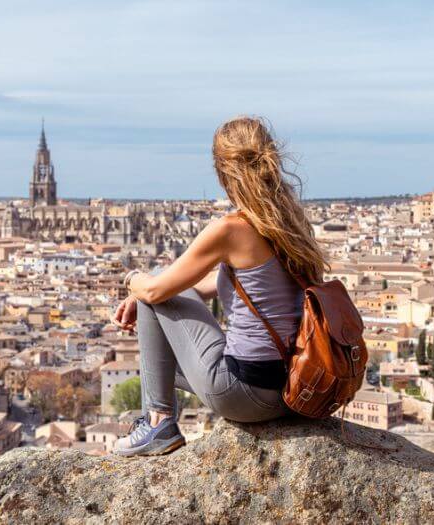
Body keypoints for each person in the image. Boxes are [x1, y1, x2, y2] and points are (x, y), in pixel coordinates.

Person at [111, 116, 328, 457]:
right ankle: (156, 420)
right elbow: (211, 286)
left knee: (156, 283)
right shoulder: (291, 222)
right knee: (160, 292)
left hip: (245, 394)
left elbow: (156, 292)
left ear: (223, 171)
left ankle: (158, 423)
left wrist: (133, 281)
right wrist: (149, 296)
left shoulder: (230, 229)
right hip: (291, 389)